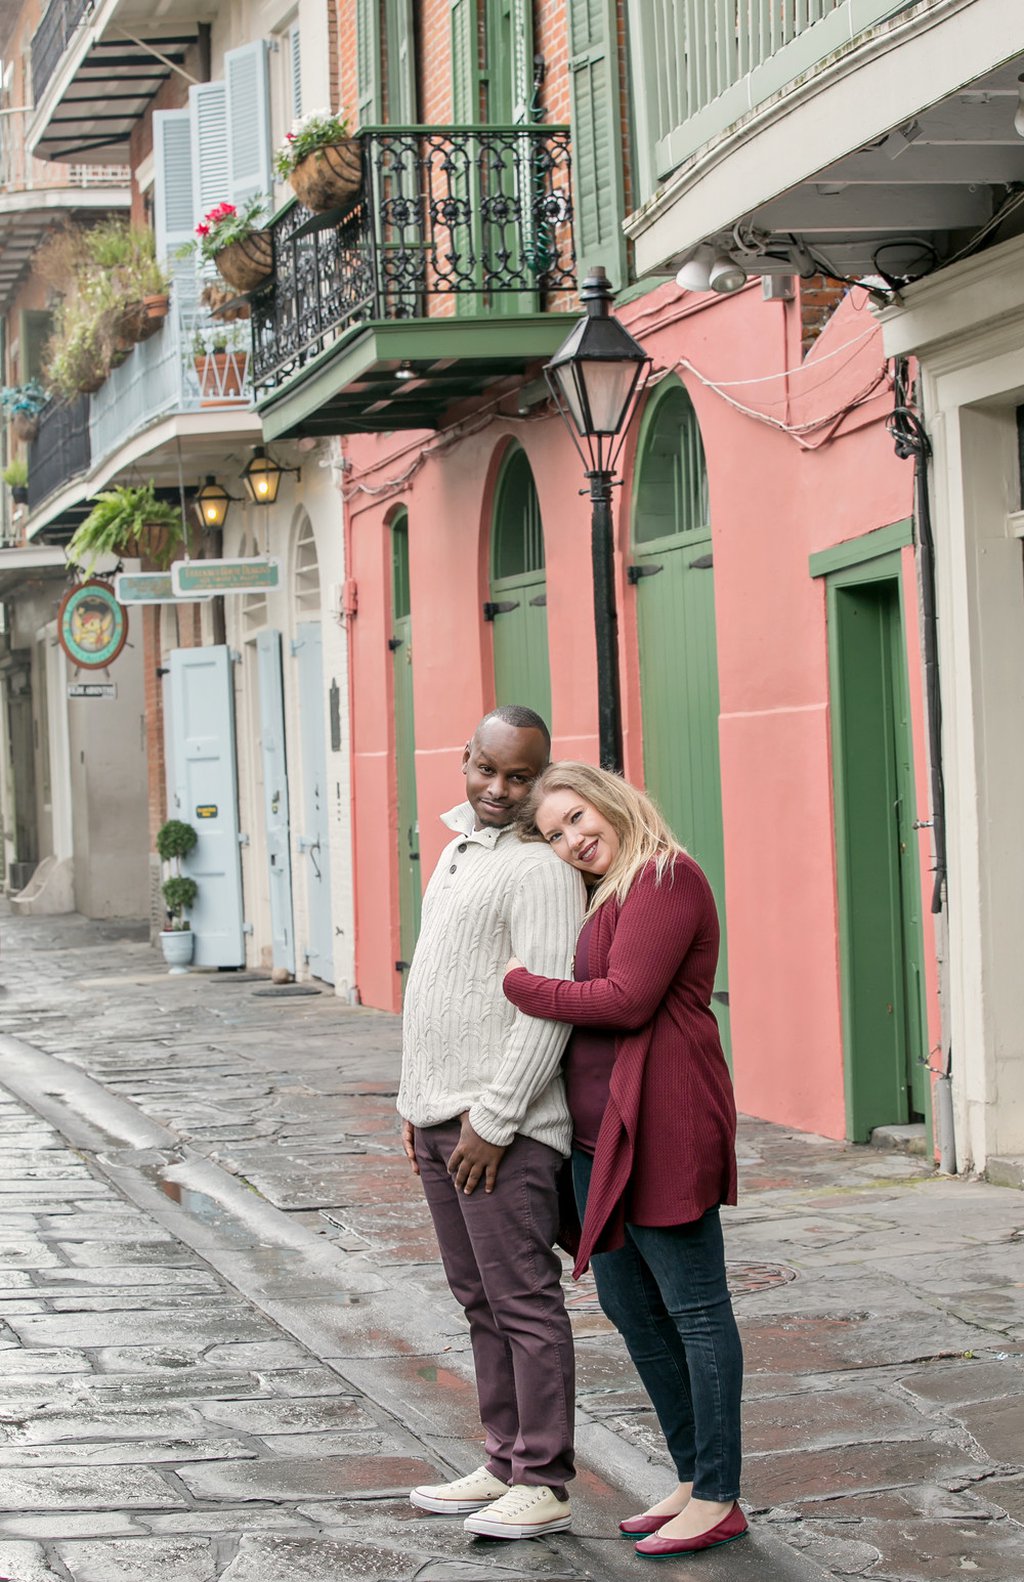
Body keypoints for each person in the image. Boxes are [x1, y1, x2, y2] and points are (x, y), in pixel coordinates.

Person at [503, 761, 746, 1560]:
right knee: (632, 1309)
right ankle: (689, 1477)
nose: (573, 840)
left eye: (577, 818)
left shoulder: (667, 877)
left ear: (611, 802)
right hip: (598, 1142)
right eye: (554, 834)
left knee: (696, 1310)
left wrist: (520, 985)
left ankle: (719, 1495)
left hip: (665, 1127)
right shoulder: (601, 892)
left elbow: (624, 999)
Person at [398, 707, 586, 1541]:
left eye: (521, 777)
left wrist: (496, 1118)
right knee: (476, 1298)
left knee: (523, 1301)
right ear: (464, 759)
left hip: (500, 1126)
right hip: (442, 1117)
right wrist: (416, 1107)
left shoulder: (542, 870)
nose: (501, 790)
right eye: (489, 770)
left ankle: (543, 1479)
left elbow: (547, 1010)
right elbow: (439, 985)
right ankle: (504, 1457)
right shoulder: (456, 851)